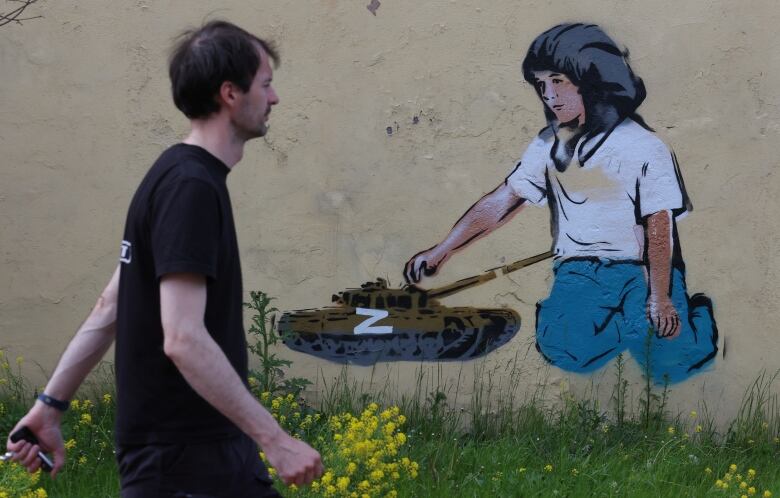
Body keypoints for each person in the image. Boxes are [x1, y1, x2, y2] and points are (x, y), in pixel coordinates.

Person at [5, 20, 323, 497]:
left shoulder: (172, 175)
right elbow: (183, 338)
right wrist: (275, 440)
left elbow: (112, 305)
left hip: (190, 457)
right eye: (266, 84)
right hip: (187, 463)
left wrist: (51, 405)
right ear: (230, 94)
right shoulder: (191, 188)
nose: (274, 98)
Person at [404, 23, 718, 384]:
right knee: (562, 347)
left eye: (558, 81)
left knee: (668, 362)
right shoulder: (548, 145)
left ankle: (689, 319)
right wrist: (441, 251)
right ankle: (625, 324)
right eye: (541, 85)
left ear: (591, 79)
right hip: (580, 270)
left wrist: (659, 297)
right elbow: (501, 202)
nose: (548, 95)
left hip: (642, 270)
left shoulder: (643, 146)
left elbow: (659, 228)